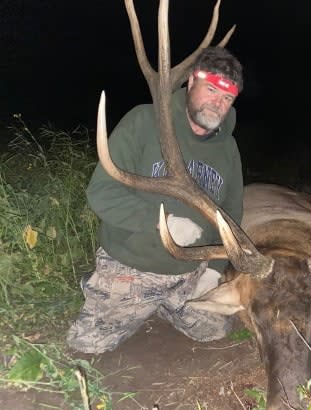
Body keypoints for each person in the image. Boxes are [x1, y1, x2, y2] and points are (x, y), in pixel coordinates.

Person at [67, 47, 244, 354]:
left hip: (190, 275)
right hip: (133, 266)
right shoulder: (143, 120)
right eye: (212, 90)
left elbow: (230, 216)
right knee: (87, 344)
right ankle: (99, 284)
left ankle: (163, 306)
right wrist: (161, 223)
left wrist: (215, 270)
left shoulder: (228, 149)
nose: (218, 103)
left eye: (227, 98)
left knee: (215, 331)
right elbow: (102, 193)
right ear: (190, 83)